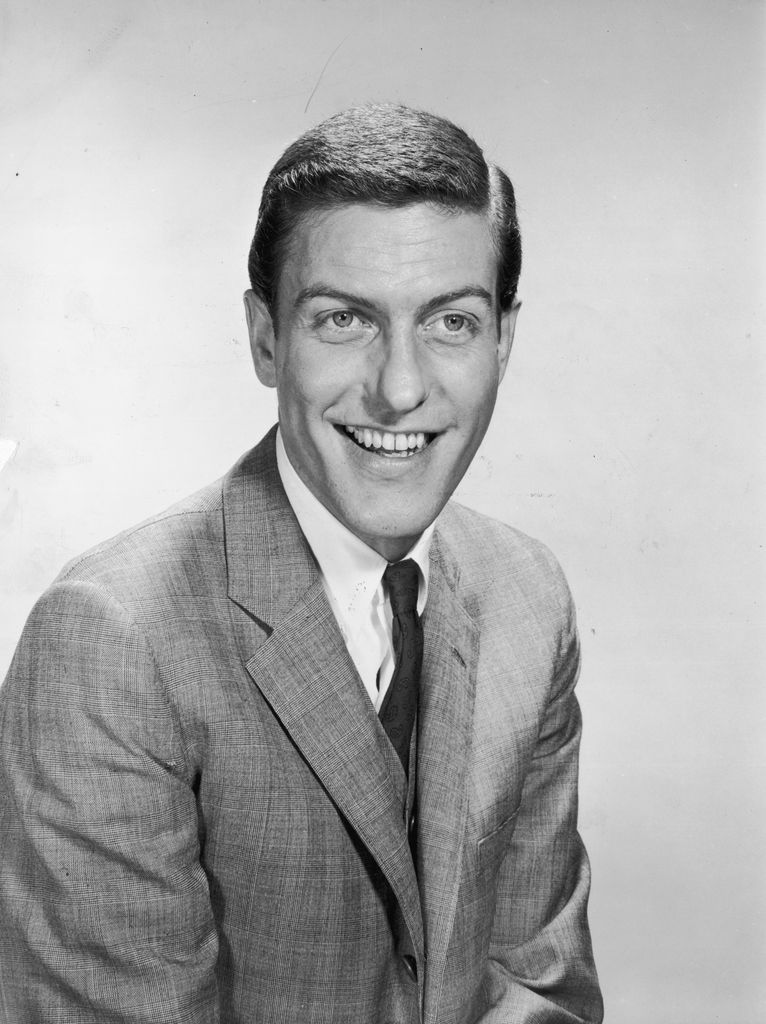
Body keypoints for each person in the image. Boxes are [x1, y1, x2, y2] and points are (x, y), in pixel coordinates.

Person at [0, 104, 603, 1023]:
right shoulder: (109, 639)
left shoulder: (528, 590)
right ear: (265, 337)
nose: (400, 388)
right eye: (343, 320)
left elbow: (539, 993)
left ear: (504, 340)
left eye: (451, 322)